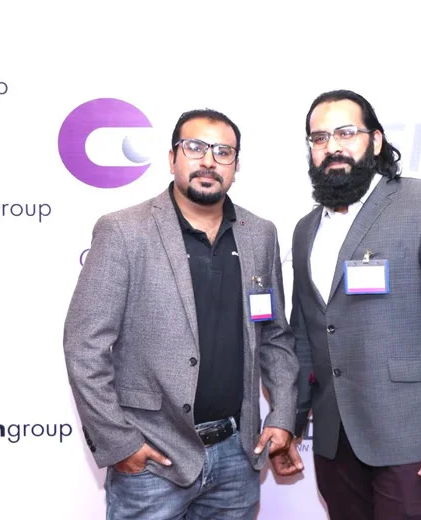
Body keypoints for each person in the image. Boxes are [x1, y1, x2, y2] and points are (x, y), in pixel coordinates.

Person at [63, 108, 300, 520]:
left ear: (236, 166)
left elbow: (275, 337)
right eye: (195, 148)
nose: (209, 161)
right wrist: (121, 444)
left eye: (223, 152)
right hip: (154, 459)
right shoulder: (124, 230)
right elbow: (85, 346)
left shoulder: (260, 233)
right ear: (172, 158)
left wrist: (282, 414)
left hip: (237, 455)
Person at [275, 90, 421, 520]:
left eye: (346, 133)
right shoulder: (305, 230)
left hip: (415, 443)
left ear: (375, 141)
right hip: (336, 444)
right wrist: (290, 424)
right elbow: (305, 335)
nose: (332, 147)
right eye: (319, 138)